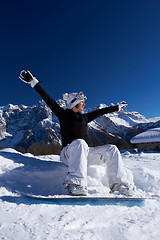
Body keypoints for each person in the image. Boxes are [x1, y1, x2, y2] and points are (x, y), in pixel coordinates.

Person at [19, 70, 135, 196]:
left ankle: (118, 185)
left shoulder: (85, 118)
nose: (84, 103)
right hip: (67, 154)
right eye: (81, 102)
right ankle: (76, 184)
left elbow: (101, 112)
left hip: (83, 153)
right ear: (74, 102)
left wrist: (116, 107)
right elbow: (48, 99)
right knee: (80, 143)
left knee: (112, 149)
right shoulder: (63, 114)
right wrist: (33, 82)